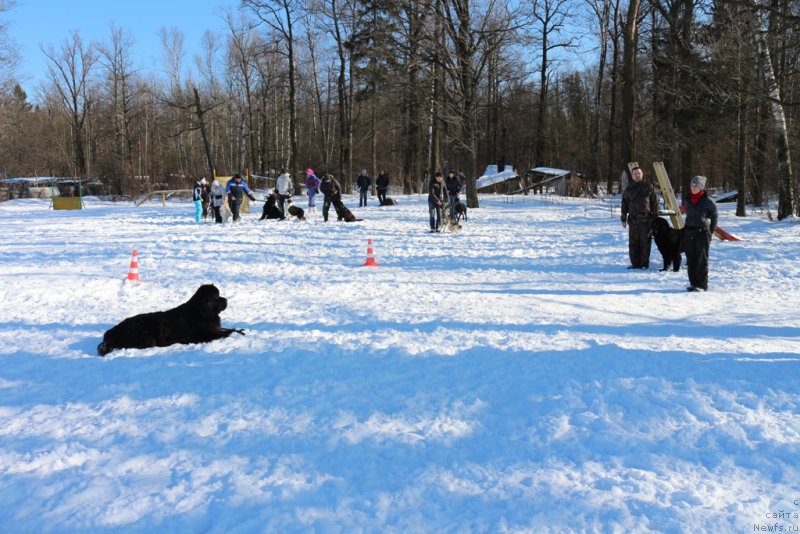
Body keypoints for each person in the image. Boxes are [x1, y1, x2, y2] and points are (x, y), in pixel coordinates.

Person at [682, 175, 718, 292]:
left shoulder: (708, 201)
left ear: (701, 187)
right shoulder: (687, 198)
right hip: (688, 231)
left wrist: (710, 231)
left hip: (702, 232)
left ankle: (701, 285)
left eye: (696, 186)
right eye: (692, 185)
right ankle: (693, 283)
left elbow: (715, 215)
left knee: (701, 258)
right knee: (690, 258)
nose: (693, 187)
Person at [620, 166, 659, 269]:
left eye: (639, 173)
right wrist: (623, 218)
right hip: (633, 220)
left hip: (646, 220)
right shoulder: (629, 188)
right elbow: (624, 204)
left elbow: (655, 203)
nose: (637, 175)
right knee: (633, 243)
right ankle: (635, 263)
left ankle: (644, 264)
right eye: (635, 174)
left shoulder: (648, 187)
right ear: (632, 176)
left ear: (642, 174)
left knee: (645, 243)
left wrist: (655, 219)